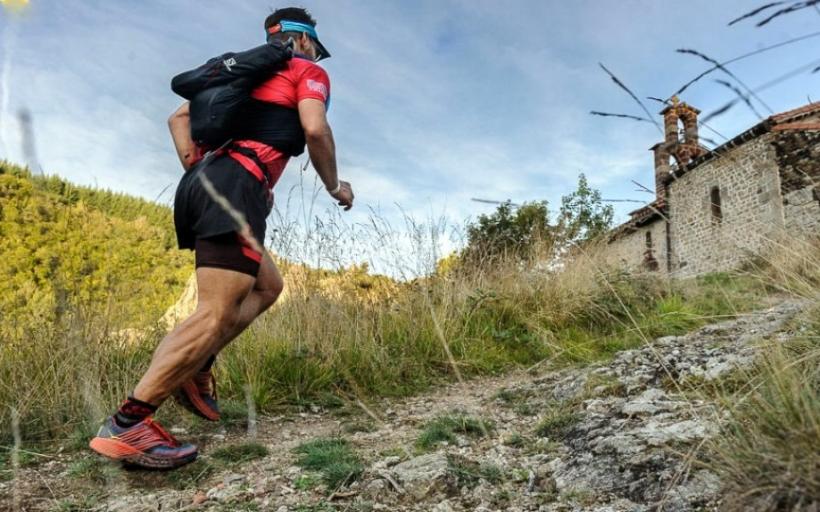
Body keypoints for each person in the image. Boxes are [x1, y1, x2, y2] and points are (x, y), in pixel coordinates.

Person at [89, 7, 353, 469]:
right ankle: (130, 421)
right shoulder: (305, 69)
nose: (317, 55)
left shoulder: (233, 76)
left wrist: (205, 173)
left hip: (201, 182)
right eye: (315, 46)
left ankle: (198, 368)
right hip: (237, 185)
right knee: (214, 311)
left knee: (268, 286)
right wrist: (335, 186)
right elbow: (315, 128)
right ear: (304, 39)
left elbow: (178, 119)